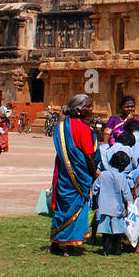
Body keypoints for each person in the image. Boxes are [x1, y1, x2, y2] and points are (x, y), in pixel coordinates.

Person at [50, 94, 99, 256]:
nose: (91, 110)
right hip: (78, 176)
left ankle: (55, 244)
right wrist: (94, 173)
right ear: (78, 111)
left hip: (64, 174)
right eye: (88, 107)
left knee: (62, 207)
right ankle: (70, 247)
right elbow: (89, 155)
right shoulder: (84, 129)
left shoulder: (60, 127)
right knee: (76, 207)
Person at [91, 149, 133, 255]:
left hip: (104, 207)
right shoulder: (122, 177)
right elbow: (126, 194)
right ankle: (117, 249)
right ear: (122, 165)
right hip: (118, 208)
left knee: (106, 230)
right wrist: (129, 203)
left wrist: (95, 203)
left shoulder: (103, 175)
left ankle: (106, 250)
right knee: (118, 230)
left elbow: (95, 189)